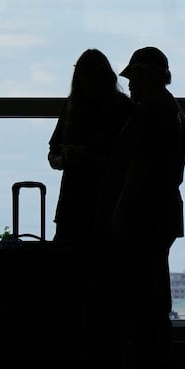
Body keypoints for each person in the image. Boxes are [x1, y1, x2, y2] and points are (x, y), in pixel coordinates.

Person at [109, 46, 185, 369]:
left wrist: (119, 212)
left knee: (142, 297)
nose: (130, 86)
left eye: (134, 78)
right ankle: (157, 368)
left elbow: (138, 169)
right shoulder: (172, 110)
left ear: (147, 76)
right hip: (162, 212)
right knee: (153, 294)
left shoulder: (151, 112)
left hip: (144, 213)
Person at [47, 48, 130, 247]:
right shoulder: (123, 107)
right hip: (104, 203)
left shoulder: (73, 106)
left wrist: (67, 159)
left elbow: (53, 154)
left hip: (76, 203)